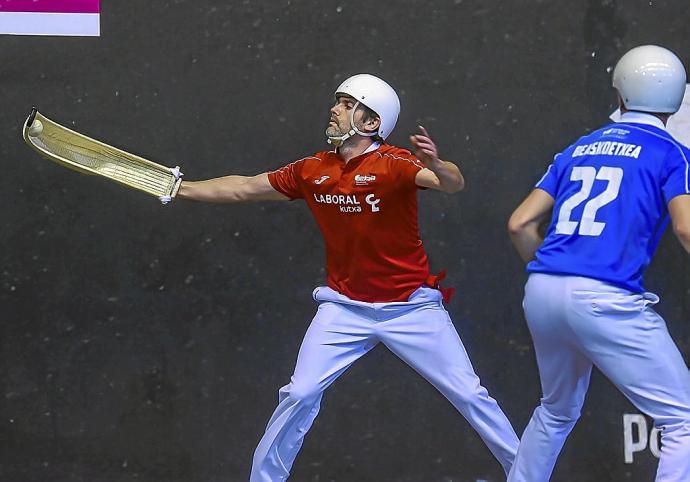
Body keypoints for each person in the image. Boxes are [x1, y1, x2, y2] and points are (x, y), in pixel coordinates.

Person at [176, 74, 519, 481]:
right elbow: (242, 188)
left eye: (344, 103)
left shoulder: (395, 163)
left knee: (470, 395)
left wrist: (439, 165)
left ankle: (529, 473)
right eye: (337, 102)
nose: (334, 110)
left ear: (370, 121)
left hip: (411, 309)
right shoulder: (312, 169)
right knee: (299, 393)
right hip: (344, 309)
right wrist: (179, 187)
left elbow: (450, 183)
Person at [507, 45, 690, 482]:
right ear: (677, 99)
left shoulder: (578, 148)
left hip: (542, 290)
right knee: (684, 420)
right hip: (604, 299)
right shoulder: (673, 153)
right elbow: (685, 229)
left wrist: (555, 276)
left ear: (621, 95)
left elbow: (519, 224)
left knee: (555, 411)